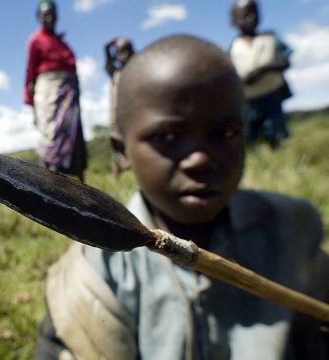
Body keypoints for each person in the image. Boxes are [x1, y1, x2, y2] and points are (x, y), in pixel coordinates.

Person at [35, 35, 328, 359]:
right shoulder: (92, 272)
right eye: (168, 137)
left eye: (226, 133)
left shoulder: (292, 230)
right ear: (123, 151)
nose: (200, 159)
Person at [24, 0, 87, 182]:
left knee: (73, 133)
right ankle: (49, 181)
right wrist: (30, 100)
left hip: (70, 95)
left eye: (52, 13)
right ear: (38, 18)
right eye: (44, 14)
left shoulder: (63, 44)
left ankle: (79, 183)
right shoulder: (35, 40)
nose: (49, 17)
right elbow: (30, 71)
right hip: (48, 94)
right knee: (51, 133)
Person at [229, 0, 293, 148]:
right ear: (234, 21)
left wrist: (261, 70)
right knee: (250, 139)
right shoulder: (233, 47)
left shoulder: (270, 38)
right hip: (247, 102)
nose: (250, 18)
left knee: (275, 136)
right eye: (244, 15)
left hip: (272, 97)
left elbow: (285, 61)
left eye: (254, 14)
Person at [104, 36, 135, 178]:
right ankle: (117, 174)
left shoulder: (138, 72)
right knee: (117, 148)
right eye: (121, 51)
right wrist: (114, 41)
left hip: (134, 117)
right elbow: (106, 47)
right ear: (116, 55)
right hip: (116, 118)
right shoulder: (114, 73)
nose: (126, 54)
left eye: (128, 50)